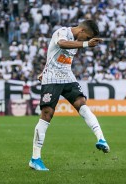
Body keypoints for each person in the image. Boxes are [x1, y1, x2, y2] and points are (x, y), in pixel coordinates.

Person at [29, 20, 110, 171]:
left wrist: (44, 69)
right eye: (86, 38)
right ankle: (35, 158)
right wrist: (86, 44)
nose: (86, 41)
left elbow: (55, 56)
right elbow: (61, 44)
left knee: (82, 103)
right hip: (52, 79)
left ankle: (101, 138)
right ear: (82, 32)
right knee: (47, 113)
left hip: (67, 77)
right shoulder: (62, 32)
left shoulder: (78, 40)